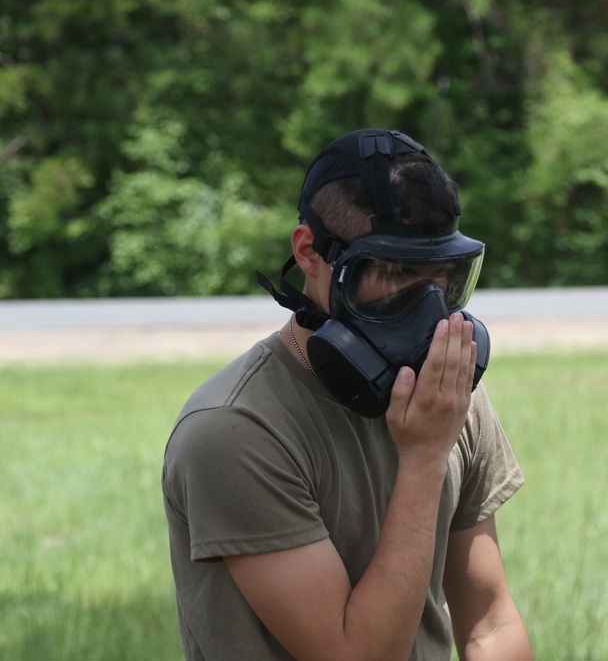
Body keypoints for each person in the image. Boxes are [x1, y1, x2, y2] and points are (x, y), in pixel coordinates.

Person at [162, 128, 532, 660]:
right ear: (309, 252)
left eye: (443, 280)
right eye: (392, 271)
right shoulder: (232, 430)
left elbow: (490, 626)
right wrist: (425, 456)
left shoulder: (448, 397)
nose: (429, 312)